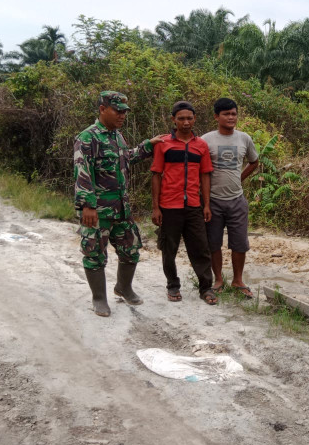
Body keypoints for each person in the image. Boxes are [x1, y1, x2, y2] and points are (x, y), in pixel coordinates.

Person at [74, 90, 163, 317]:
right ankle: (99, 299)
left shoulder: (117, 136)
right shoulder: (88, 138)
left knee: (131, 249)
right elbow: (82, 172)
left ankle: (123, 288)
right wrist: (88, 205)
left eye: (124, 111)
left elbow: (126, 158)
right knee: (94, 254)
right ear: (103, 109)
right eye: (118, 110)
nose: (122, 115)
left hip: (121, 208)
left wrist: (147, 146)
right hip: (98, 210)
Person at [151, 101, 218, 305]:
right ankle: (173, 285)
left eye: (189, 118)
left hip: (193, 206)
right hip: (169, 206)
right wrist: (156, 208)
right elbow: (156, 174)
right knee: (169, 249)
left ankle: (206, 288)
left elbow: (205, 175)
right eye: (181, 118)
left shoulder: (201, 146)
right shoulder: (163, 144)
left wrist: (206, 205)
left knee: (200, 247)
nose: (186, 122)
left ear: (194, 119)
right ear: (173, 120)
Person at [201, 98, 259, 298]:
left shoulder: (244, 138)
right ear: (216, 116)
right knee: (213, 243)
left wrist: (239, 179)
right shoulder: (206, 140)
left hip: (237, 200)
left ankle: (238, 280)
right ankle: (218, 279)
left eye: (233, 113)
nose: (231, 117)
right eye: (226, 114)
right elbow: (201, 172)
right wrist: (205, 202)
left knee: (239, 243)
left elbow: (254, 161)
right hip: (213, 201)